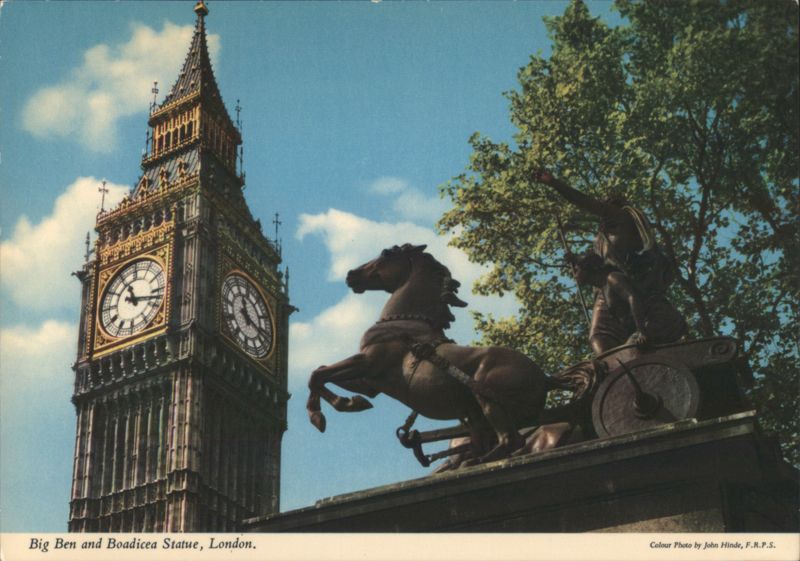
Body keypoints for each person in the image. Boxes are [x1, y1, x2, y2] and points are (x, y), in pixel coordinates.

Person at [572, 252, 686, 355]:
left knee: (628, 353)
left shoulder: (612, 278)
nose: (574, 274)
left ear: (588, 268)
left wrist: (642, 331)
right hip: (648, 324)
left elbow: (633, 298)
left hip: (660, 319)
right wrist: (573, 258)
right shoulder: (603, 288)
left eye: (576, 270)